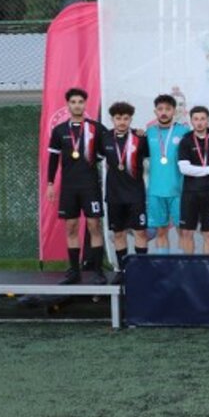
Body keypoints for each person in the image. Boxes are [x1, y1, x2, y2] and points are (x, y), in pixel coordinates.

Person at [46, 88, 107, 284]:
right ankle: (74, 272)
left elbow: (109, 148)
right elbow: (53, 159)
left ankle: (98, 272)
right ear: (68, 105)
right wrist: (50, 183)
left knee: (94, 225)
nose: (77, 105)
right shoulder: (59, 130)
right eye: (73, 102)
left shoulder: (96, 128)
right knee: (71, 227)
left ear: (85, 104)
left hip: (90, 185)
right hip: (69, 187)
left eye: (80, 102)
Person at [100, 101, 149, 282]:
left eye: (126, 118)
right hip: (114, 194)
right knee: (118, 233)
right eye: (118, 118)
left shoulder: (140, 138)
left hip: (136, 194)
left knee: (140, 233)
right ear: (112, 119)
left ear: (131, 119)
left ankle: (142, 271)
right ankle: (123, 271)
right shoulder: (104, 138)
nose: (122, 122)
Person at [145, 94, 191, 253]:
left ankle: (183, 266)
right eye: (160, 109)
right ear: (155, 111)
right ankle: (164, 266)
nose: (164, 112)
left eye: (168, 109)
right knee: (161, 232)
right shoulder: (149, 133)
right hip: (156, 191)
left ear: (174, 111)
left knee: (183, 232)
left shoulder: (184, 131)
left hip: (179, 191)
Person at [177, 106, 209, 254]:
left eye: (203, 119)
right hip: (190, 193)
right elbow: (184, 168)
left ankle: (207, 265)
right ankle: (190, 265)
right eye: (196, 119)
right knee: (187, 233)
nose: (200, 122)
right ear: (191, 121)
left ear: (208, 120)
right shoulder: (186, 140)